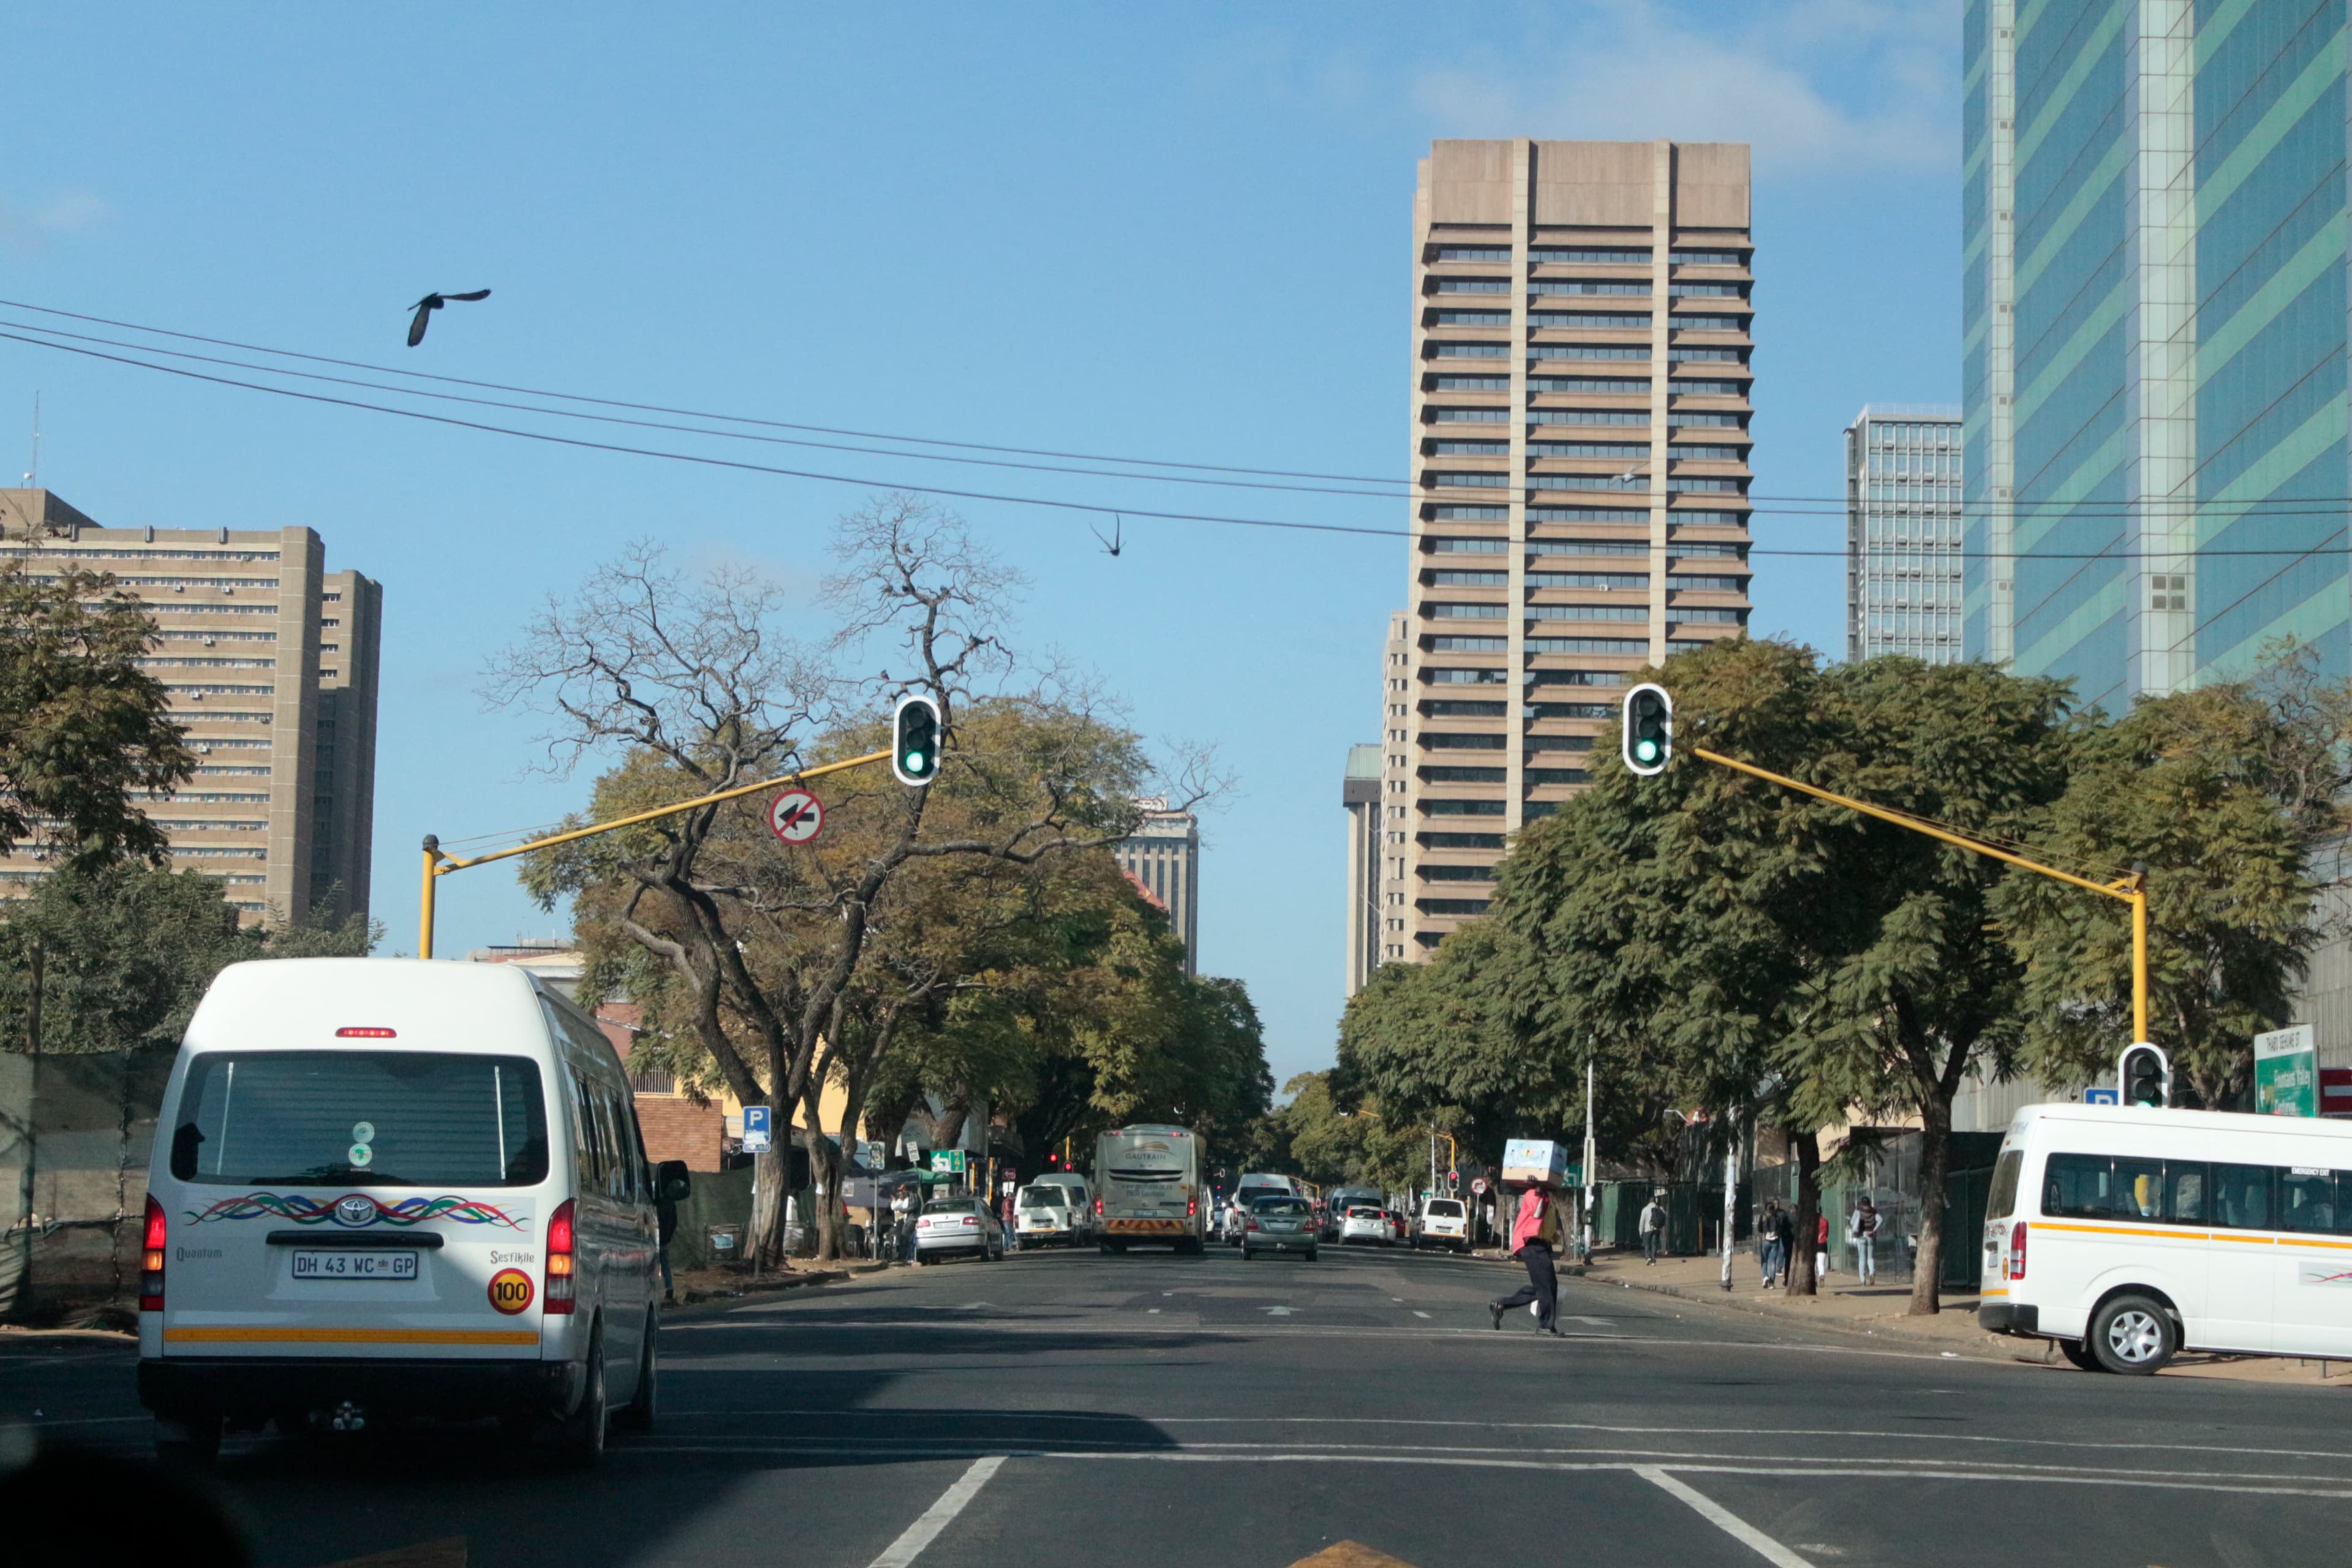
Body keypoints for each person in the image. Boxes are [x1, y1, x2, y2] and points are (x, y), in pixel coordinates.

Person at [1488, 1183, 1564, 1335]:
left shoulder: (1548, 1197)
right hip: (1531, 1244)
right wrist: (1538, 1192)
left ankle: (1501, 1304)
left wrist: (1554, 1236)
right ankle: (1545, 1325)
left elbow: (1547, 1223)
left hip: (1541, 1246)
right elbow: (1536, 1213)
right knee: (1546, 1286)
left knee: (1547, 1286)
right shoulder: (1532, 1194)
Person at [656, 1172, 679, 1304]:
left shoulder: (659, 1202)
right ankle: (668, 1288)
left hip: (655, 1238)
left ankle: (666, 1289)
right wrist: (667, 1236)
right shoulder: (670, 1204)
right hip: (663, 1239)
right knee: (664, 1264)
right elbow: (673, 1222)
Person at [1849, 1197, 1880, 1285]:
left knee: (1862, 1257)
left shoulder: (1858, 1211)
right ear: (1869, 1202)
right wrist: (1874, 1229)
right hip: (1871, 1235)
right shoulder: (1873, 1211)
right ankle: (1871, 1273)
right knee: (1870, 1257)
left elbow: (1852, 1222)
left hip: (1862, 1235)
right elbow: (1880, 1220)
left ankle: (1863, 1279)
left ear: (1862, 1203)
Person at [1638, 1192, 1665, 1265]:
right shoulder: (1660, 1208)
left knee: (1647, 1244)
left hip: (1647, 1229)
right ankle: (1653, 1259)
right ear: (1655, 1201)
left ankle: (1648, 1257)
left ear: (1649, 1201)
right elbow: (1663, 1217)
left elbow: (1642, 1221)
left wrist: (1641, 1231)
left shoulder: (1645, 1209)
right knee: (1654, 1244)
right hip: (1656, 1229)